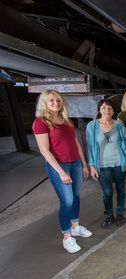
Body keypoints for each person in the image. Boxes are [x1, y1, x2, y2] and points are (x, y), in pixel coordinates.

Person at [32, 90, 92, 253]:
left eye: (58, 100)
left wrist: (84, 163)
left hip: (76, 164)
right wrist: (61, 172)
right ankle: (67, 237)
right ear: (44, 102)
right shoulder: (41, 122)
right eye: (51, 100)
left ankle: (75, 227)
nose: (56, 103)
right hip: (60, 167)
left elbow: (76, 142)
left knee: (76, 197)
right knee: (67, 201)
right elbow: (45, 151)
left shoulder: (66, 119)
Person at [86, 99, 126, 228]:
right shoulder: (92, 126)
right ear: (99, 110)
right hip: (102, 165)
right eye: (103, 108)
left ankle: (120, 214)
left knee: (121, 190)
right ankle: (108, 215)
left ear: (113, 111)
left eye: (110, 108)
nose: (107, 111)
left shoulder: (119, 125)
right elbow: (90, 147)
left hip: (119, 163)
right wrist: (91, 165)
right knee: (107, 192)